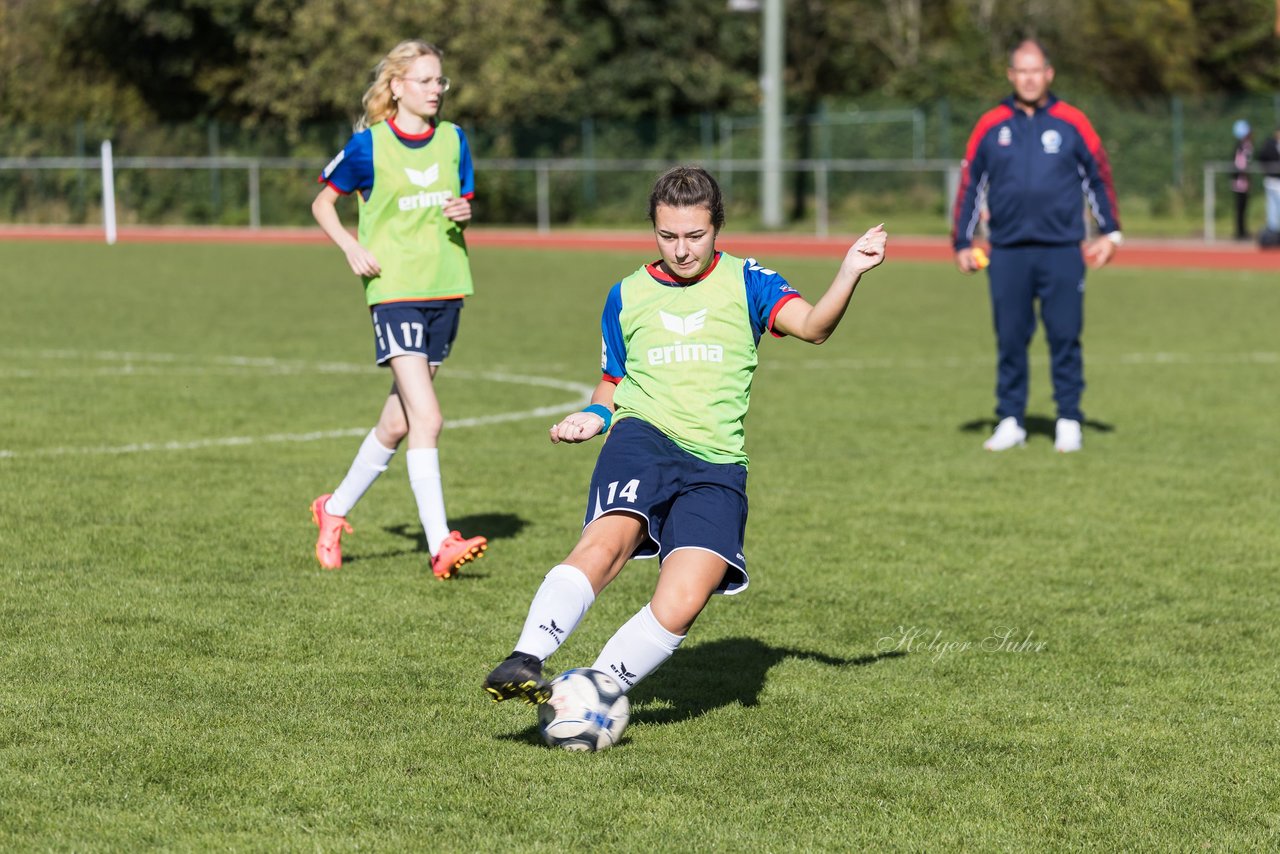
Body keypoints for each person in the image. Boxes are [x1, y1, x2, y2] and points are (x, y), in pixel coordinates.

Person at [481, 166, 887, 705]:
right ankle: (525, 657)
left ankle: (590, 695)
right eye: (667, 236)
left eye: (694, 235)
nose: (682, 249)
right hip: (642, 437)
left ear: (717, 226)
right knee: (609, 540)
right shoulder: (626, 294)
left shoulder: (749, 281)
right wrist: (595, 417)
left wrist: (849, 271)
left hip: (717, 462)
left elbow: (814, 327)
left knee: (686, 597)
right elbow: (613, 381)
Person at [308, 39, 486, 578]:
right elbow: (321, 203)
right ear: (397, 86)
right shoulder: (368, 147)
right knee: (428, 417)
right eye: (427, 81)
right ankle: (441, 545)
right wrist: (350, 246)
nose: (437, 90)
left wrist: (464, 209)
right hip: (394, 292)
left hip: (446, 288)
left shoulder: (455, 140)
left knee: (397, 422)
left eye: (441, 82)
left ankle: (332, 510)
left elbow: (463, 202)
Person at [952, 39, 1122, 454]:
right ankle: (1010, 419)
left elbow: (1098, 176)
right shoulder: (991, 125)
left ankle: (1068, 420)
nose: (1028, 78)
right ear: (1011, 75)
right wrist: (962, 240)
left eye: (1036, 70)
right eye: (1020, 71)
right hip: (1006, 250)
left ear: (1049, 73)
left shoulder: (1072, 122)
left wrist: (1110, 232)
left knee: (1065, 336)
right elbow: (971, 183)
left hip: (1062, 248)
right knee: (1010, 337)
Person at [1255, 125, 1280, 237]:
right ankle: (1273, 230)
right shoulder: (1270, 144)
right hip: (1271, 179)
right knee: (1272, 207)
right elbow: (1262, 157)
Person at [1231, 119, 1254, 241]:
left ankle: (1241, 231)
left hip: (1240, 180)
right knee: (1241, 207)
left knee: (1242, 208)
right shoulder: (1245, 146)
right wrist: (1247, 178)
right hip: (1241, 181)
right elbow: (1242, 164)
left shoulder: (1240, 145)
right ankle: (1240, 232)